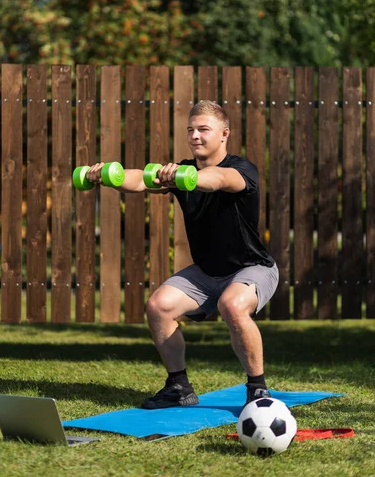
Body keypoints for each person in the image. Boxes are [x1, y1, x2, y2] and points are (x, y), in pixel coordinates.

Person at [86, 100, 279, 410]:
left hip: (251, 268)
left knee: (232, 305)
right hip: (206, 272)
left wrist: (183, 177)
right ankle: (178, 387)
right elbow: (141, 180)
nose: (195, 136)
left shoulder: (242, 169)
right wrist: (109, 175)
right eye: (191, 130)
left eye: (204, 129)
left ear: (224, 134)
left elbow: (217, 180)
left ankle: (258, 389)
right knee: (158, 306)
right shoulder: (184, 170)